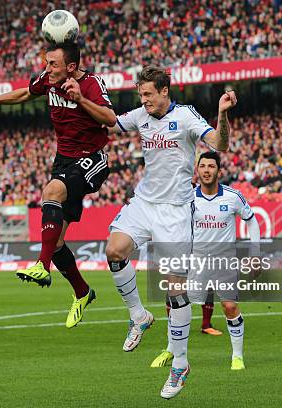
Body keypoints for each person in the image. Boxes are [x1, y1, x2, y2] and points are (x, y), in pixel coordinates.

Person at [0, 42, 116, 328]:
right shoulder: (49, 80)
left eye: (53, 64)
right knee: (56, 242)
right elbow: (24, 93)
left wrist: (81, 99)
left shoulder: (92, 83)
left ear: (71, 67)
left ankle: (41, 266)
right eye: (47, 63)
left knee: (51, 192)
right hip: (64, 161)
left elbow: (111, 119)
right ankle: (82, 292)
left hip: (92, 158)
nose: (47, 69)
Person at [103, 65, 236, 389]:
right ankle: (138, 315)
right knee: (114, 250)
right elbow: (111, 121)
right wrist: (79, 98)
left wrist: (221, 114)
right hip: (145, 204)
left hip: (176, 212)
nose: (143, 99)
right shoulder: (141, 115)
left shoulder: (187, 117)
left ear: (165, 91)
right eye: (141, 95)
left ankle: (180, 364)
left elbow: (220, 144)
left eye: (148, 94)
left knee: (174, 290)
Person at [159, 151, 261, 399]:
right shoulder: (188, 198)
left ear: (219, 171)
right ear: (198, 170)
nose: (206, 170)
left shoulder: (233, 196)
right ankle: (171, 349)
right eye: (202, 166)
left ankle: (237, 356)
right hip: (195, 261)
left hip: (224, 260)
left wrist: (256, 252)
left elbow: (252, 220)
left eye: (211, 166)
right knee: (174, 305)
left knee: (228, 306)